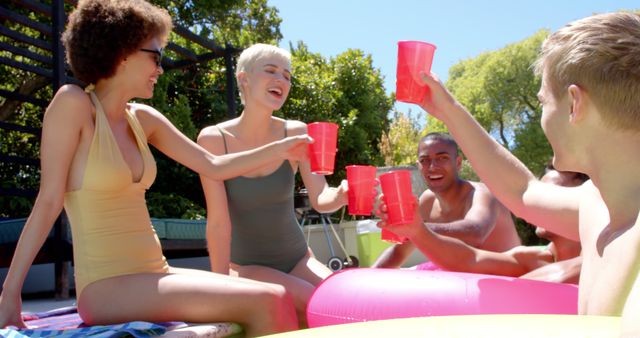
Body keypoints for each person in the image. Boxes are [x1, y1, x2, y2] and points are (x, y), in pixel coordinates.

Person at [0, 1, 313, 335]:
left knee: (282, 298)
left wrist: (281, 148)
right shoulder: (73, 104)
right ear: (121, 51)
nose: (160, 69)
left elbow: (214, 165)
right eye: (155, 56)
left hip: (155, 272)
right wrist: (10, 295)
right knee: (269, 300)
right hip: (106, 286)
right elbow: (48, 202)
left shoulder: (144, 119)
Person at [392, 11, 639, 335]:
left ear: (573, 104)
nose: (542, 117)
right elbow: (522, 190)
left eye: (543, 102)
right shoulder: (596, 203)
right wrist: (447, 110)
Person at [197, 43, 349, 325]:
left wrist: (341, 195)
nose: (281, 80)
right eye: (271, 71)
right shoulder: (214, 139)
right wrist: (220, 287)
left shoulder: (296, 131)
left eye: (287, 76)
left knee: (343, 304)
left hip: (299, 259)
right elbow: (218, 223)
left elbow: (320, 198)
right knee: (315, 305)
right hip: (246, 267)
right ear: (244, 78)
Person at [378, 166, 586, 284]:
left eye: (554, 193)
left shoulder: (602, 259)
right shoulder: (532, 259)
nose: (539, 202)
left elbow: (565, 275)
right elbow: (470, 259)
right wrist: (416, 230)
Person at [372, 132, 521, 269]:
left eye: (442, 158)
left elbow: (476, 232)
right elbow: (399, 252)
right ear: (419, 166)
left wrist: (416, 229)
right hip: (461, 279)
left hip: (505, 281)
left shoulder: (482, 194)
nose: (432, 167)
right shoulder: (427, 200)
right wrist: (367, 280)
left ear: (458, 163)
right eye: (425, 160)